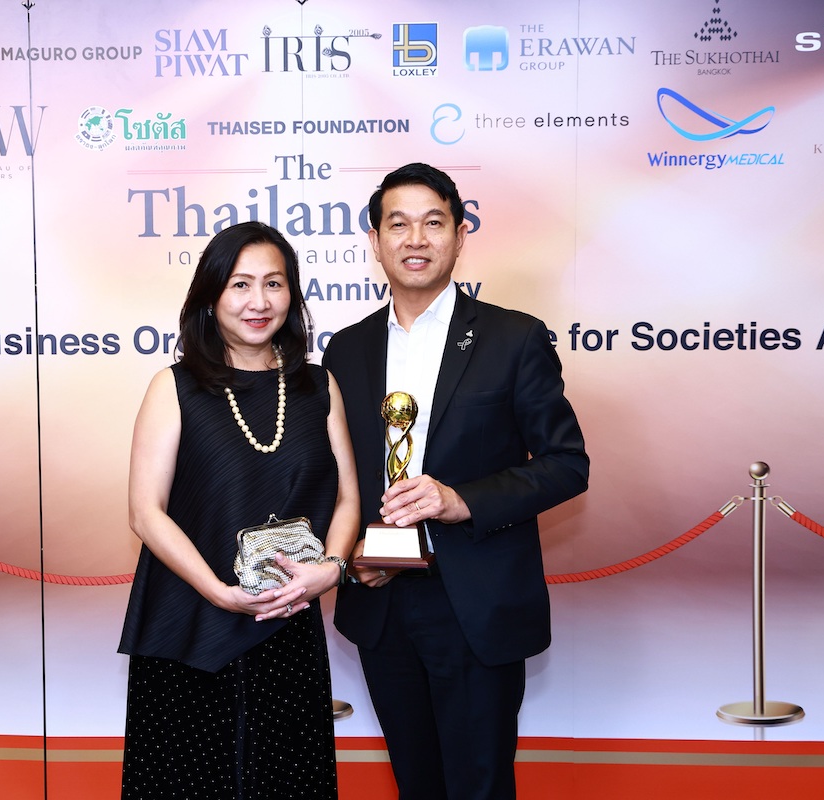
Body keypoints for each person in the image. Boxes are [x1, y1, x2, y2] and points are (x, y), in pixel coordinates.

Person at [322, 163, 589, 800]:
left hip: (474, 598)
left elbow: (566, 463)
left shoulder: (513, 338)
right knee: (415, 782)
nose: (416, 239)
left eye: (433, 223)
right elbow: (335, 476)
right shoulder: (346, 350)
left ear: (461, 234)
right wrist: (350, 553)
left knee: (478, 785)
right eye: (398, 224)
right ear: (375, 240)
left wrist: (459, 500)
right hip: (381, 599)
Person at [118, 221, 360, 800]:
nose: (259, 301)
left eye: (274, 284)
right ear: (211, 296)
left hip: (287, 619)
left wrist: (331, 569)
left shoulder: (319, 386)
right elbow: (145, 512)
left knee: (287, 780)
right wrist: (219, 592)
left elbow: (349, 497)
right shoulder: (174, 387)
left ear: (292, 295)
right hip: (190, 622)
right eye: (240, 284)